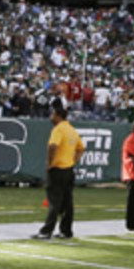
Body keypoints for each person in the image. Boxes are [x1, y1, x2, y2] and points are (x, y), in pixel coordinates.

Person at [32, 102, 85, 240]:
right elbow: (81, 148)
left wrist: (50, 163)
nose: (50, 117)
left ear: (58, 116)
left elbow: (53, 146)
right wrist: (73, 161)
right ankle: (66, 231)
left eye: (52, 114)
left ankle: (46, 231)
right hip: (69, 169)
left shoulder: (58, 129)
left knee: (54, 202)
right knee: (67, 202)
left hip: (57, 169)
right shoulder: (71, 130)